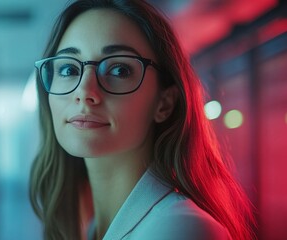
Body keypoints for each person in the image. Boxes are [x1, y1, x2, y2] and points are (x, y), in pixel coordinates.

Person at [29, 0, 255, 239]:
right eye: (68, 70)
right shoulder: (92, 228)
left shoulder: (181, 229)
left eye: (119, 70)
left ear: (164, 103)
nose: (85, 91)